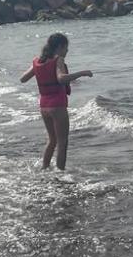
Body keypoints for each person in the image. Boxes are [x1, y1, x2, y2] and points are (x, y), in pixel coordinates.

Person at [19, 33, 92, 170]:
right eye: (66, 47)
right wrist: (82, 73)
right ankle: (60, 174)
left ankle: (44, 168)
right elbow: (61, 78)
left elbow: (23, 78)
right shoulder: (58, 60)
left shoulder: (37, 61)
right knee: (62, 142)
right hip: (57, 106)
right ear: (59, 47)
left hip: (44, 106)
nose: (67, 51)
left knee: (52, 140)